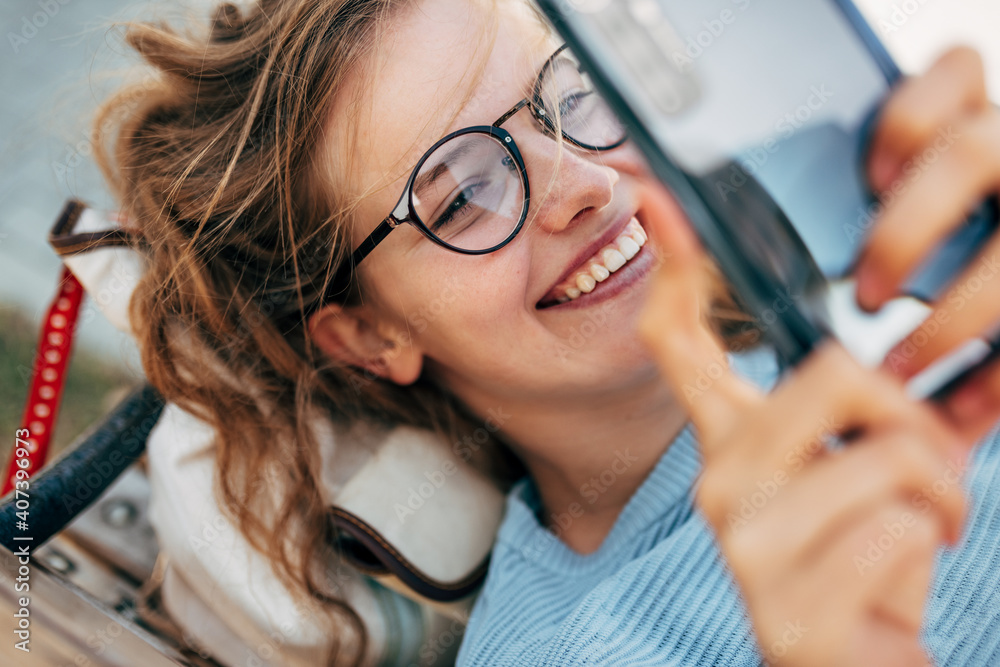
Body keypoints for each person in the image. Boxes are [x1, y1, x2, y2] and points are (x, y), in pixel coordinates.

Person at [92, 0, 1000, 664]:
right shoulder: (563, 651)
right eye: (466, 191)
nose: (584, 184)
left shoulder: (918, 318)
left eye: (570, 93)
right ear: (369, 334)